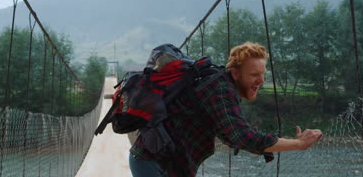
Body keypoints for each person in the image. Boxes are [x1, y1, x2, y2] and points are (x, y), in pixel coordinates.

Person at [129, 41, 323, 177]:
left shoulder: (220, 85)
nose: (261, 81)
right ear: (235, 73)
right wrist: (298, 144)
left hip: (163, 164)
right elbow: (241, 136)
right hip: (155, 163)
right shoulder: (220, 89)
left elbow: (229, 134)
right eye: (254, 74)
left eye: (263, 74)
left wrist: (258, 146)